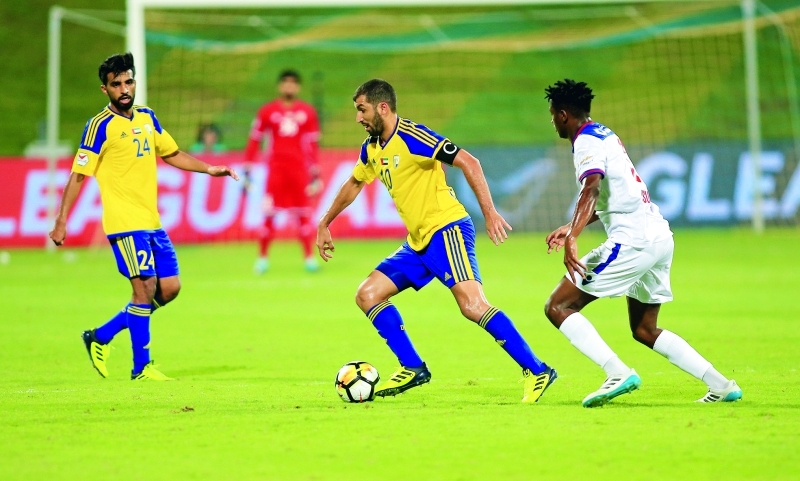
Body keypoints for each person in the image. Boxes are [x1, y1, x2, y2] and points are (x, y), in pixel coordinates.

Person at [316, 79, 556, 402]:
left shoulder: (413, 136)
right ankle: (413, 367)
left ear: (382, 108)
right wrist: (325, 221)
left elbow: (469, 162)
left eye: (362, 110)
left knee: (472, 305)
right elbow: (354, 182)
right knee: (368, 294)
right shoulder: (371, 148)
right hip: (418, 243)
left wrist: (490, 213)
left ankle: (537, 370)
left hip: (447, 230)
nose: (358, 118)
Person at [542, 79, 742, 407]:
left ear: (563, 115)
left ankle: (617, 373)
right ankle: (721, 385)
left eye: (552, 115)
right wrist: (571, 225)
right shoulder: (603, 133)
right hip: (658, 237)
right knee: (645, 328)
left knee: (558, 306)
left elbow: (591, 188)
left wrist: (573, 237)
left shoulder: (585, 143)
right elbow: (614, 198)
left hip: (632, 242)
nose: (551, 121)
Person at [49, 53, 238, 381]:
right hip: (124, 224)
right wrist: (61, 219)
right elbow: (78, 175)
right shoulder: (99, 126)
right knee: (144, 289)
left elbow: (173, 153)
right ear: (104, 89)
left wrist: (208, 168)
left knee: (170, 288)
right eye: (116, 84)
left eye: (128, 81)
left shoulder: (147, 118)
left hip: (152, 221)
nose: (124, 88)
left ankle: (101, 335)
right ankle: (142, 366)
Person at [244, 69, 322, 274]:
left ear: (298, 87)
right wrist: (248, 165)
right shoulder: (267, 111)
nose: (289, 86)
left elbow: (312, 143)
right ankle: (262, 259)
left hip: (299, 171)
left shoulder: (307, 111)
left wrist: (316, 170)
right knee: (269, 214)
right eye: (286, 82)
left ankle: (309, 258)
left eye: (293, 83)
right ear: (280, 86)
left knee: (303, 215)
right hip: (276, 171)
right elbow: (255, 139)